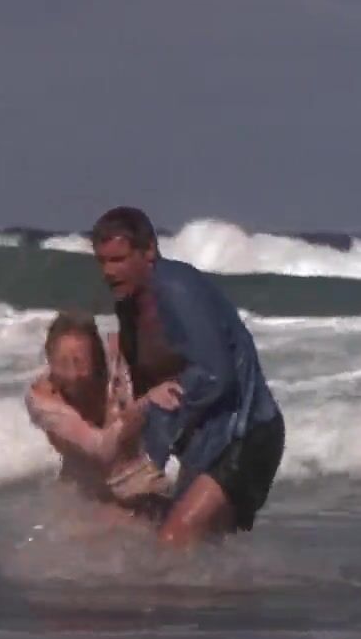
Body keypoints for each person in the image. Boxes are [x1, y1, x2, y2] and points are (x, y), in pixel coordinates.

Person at [89, 207, 285, 548]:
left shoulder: (177, 289)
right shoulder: (130, 303)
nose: (108, 271)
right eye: (102, 261)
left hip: (246, 437)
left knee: (174, 538)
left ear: (148, 251)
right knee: (161, 537)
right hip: (206, 442)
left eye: (118, 259)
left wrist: (159, 427)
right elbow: (150, 382)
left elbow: (215, 374)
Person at [24, 310, 182, 520]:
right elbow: (100, 448)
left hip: (140, 480)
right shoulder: (42, 400)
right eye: (63, 364)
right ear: (49, 360)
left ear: (96, 358)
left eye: (80, 363)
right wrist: (145, 405)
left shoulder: (115, 367)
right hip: (87, 498)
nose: (73, 375)